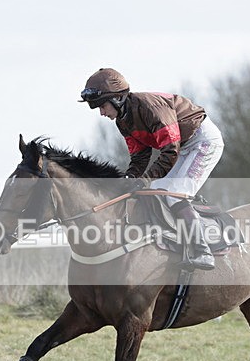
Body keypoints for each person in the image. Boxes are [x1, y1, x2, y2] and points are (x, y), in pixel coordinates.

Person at [79, 68, 225, 271]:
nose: (102, 113)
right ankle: (173, 239)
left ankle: (203, 251)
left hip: (203, 142)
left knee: (175, 194)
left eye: (102, 106)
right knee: (155, 189)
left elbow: (170, 151)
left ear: (118, 99)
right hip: (184, 147)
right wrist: (130, 178)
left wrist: (144, 179)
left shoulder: (150, 108)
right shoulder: (123, 121)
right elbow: (140, 155)